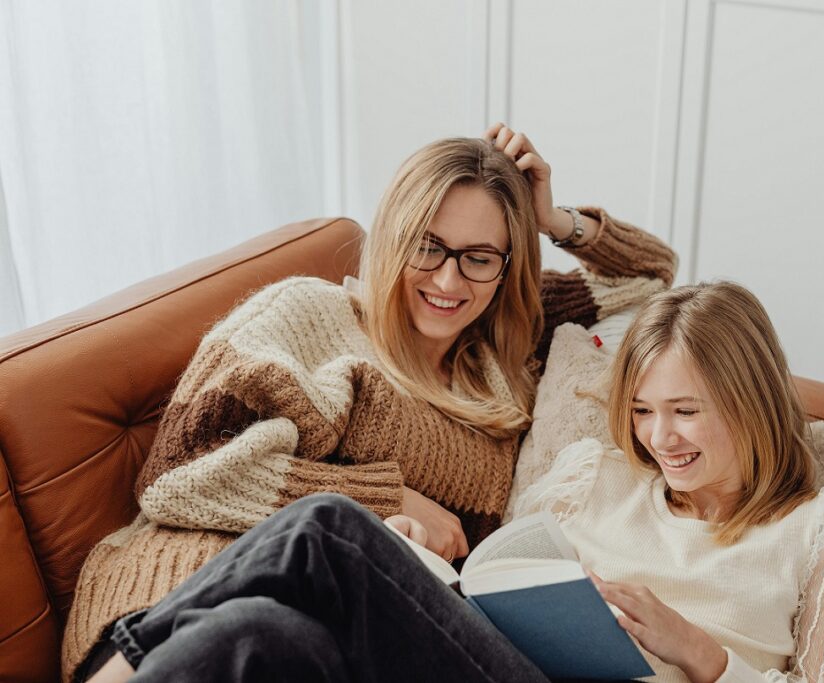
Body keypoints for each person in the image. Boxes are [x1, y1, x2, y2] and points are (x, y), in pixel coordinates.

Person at [65, 123, 677, 682]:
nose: (447, 281)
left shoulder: (506, 357)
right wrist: (385, 500)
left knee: (263, 635)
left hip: (335, 635)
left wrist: (551, 217)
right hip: (171, 601)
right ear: (393, 237)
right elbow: (180, 472)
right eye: (427, 246)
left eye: (478, 258)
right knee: (319, 537)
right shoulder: (310, 316)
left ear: (505, 265)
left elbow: (652, 273)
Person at [511, 282, 824, 681]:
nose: (659, 438)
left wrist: (696, 650)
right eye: (642, 410)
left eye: (686, 411)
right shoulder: (588, 477)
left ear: (752, 403)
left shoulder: (818, 530)